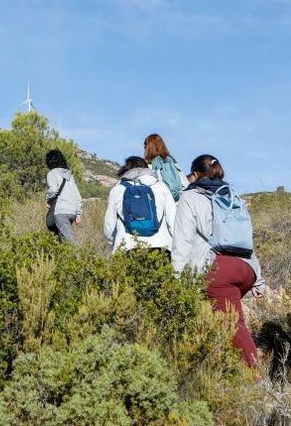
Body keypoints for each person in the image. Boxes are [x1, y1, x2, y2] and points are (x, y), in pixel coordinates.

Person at [171, 155, 265, 367]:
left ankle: (255, 381)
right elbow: (244, 239)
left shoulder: (190, 197)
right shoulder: (232, 196)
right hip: (246, 268)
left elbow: (182, 242)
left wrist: (176, 281)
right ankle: (222, 369)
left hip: (219, 269)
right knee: (216, 319)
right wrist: (258, 279)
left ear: (194, 175)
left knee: (233, 325)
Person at [103, 156, 176, 255]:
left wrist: (113, 244)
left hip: (128, 248)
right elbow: (173, 220)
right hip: (161, 247)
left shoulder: (118, 189)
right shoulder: (161, 187)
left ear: (125, 170)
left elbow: (109, 225)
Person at [45, 149, 82, 244]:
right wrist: (78, 214)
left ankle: (81, 258)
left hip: (61, 211)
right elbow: (77, 196)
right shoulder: (70, 175)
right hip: (72, 212)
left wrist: (48, 199)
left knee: (72, 243)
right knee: (62, 240)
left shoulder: (52, 173)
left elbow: (53, 190)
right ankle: (59, 257)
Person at [144, 134, 189, 202]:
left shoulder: (149, 166)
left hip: (161, 203)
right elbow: (186, 185)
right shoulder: (172, 163)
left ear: (148, 147)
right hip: (178, 203)